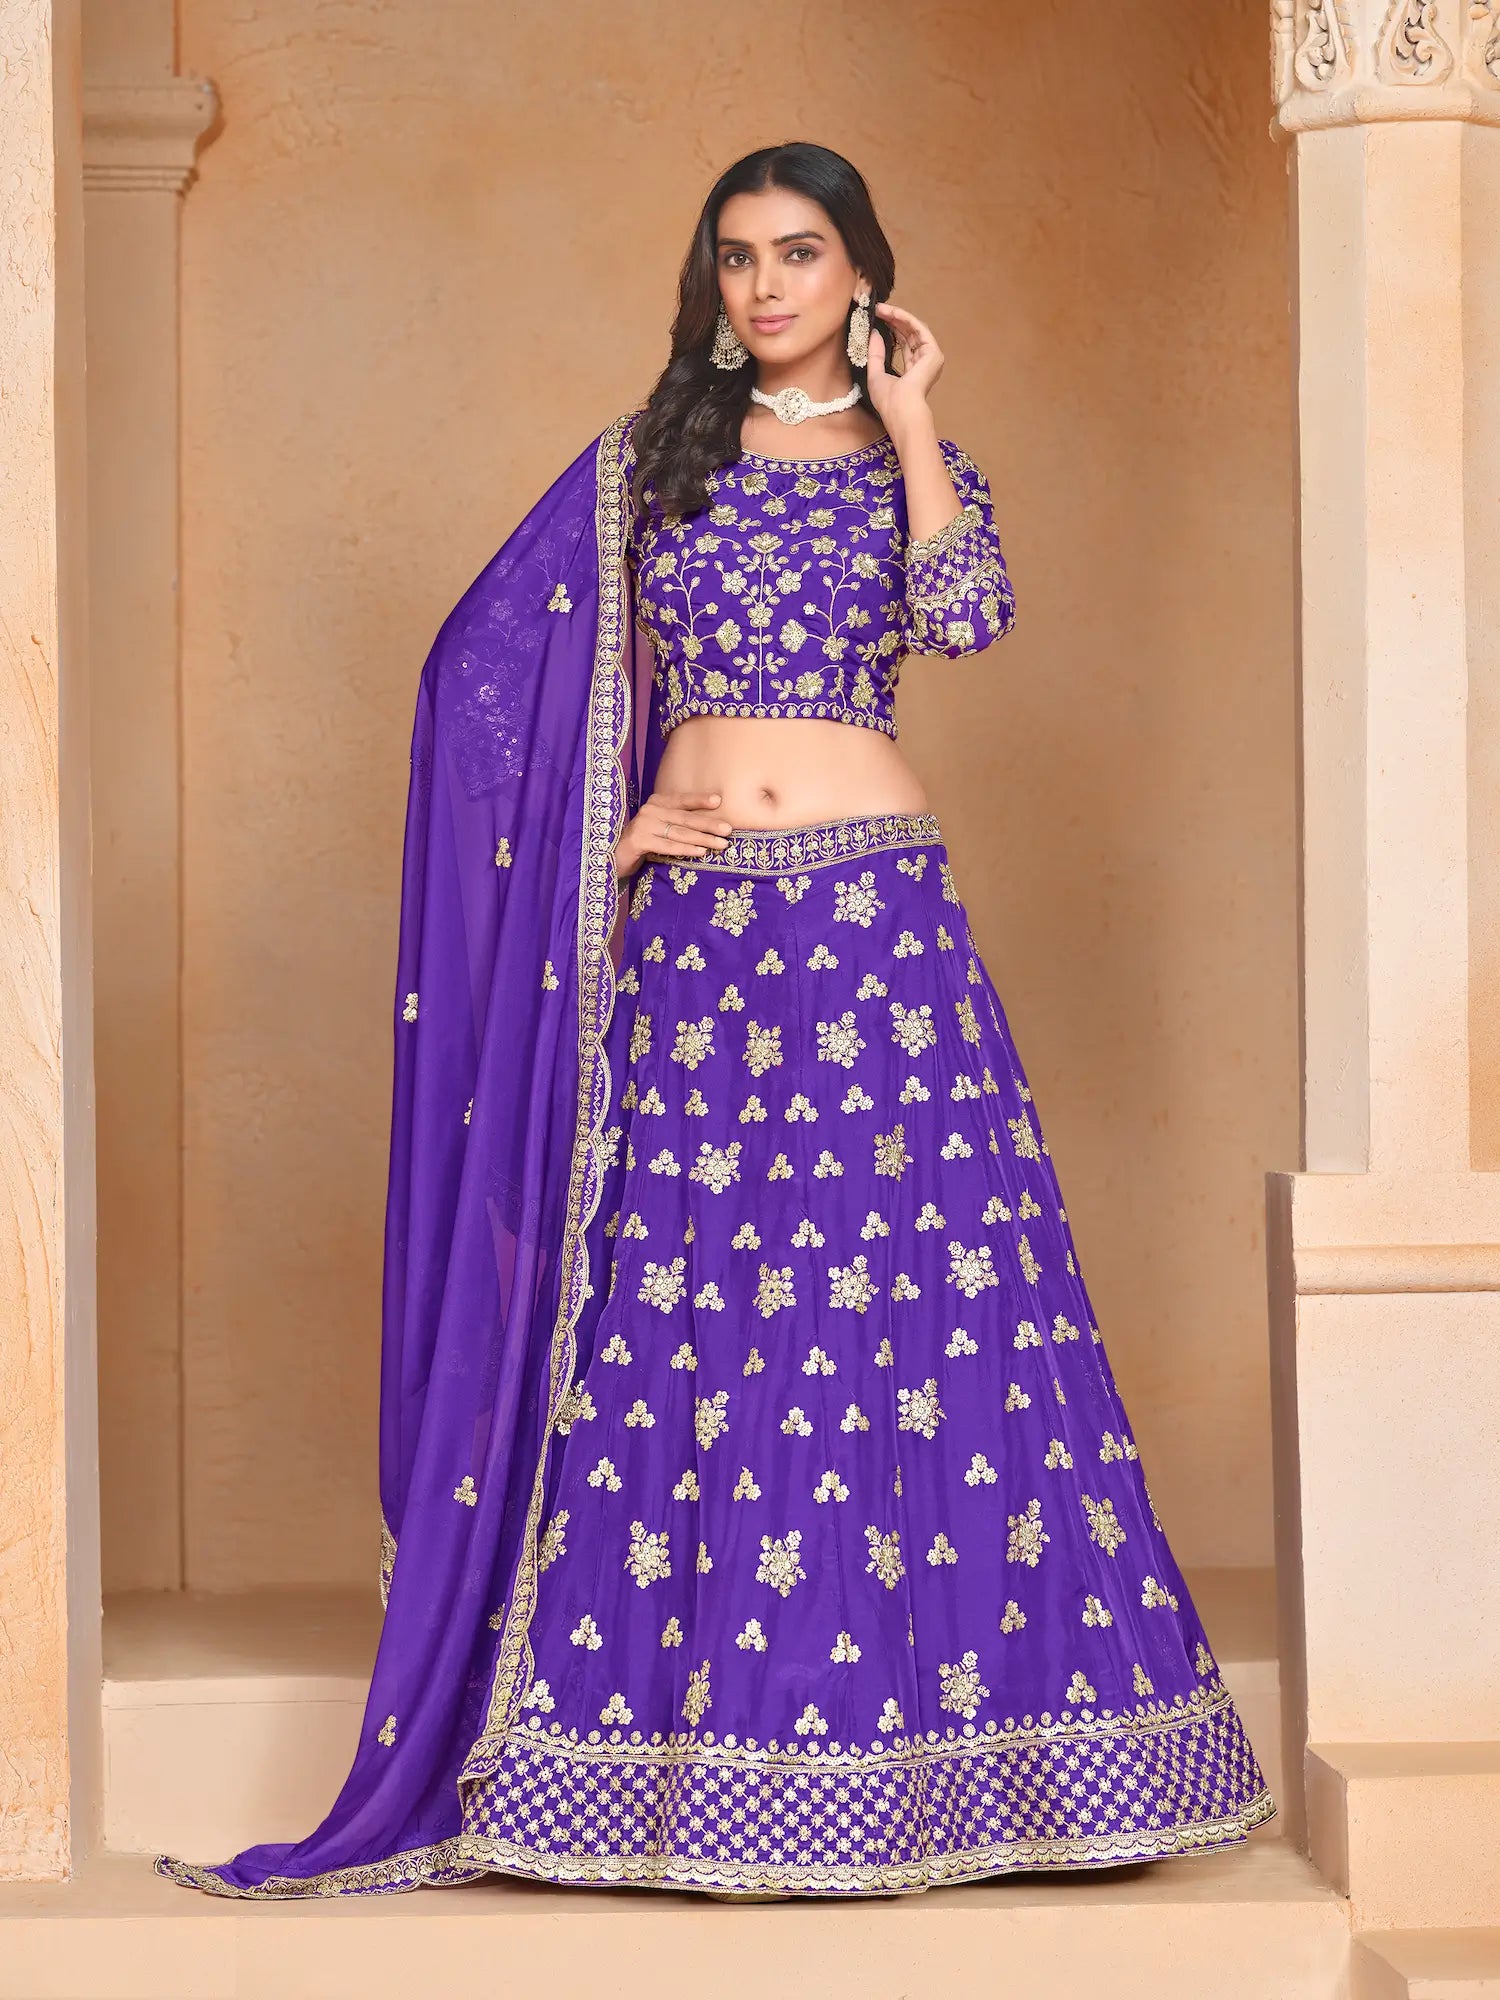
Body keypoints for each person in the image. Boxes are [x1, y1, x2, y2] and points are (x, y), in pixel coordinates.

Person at [157, 140, 1273, 1902]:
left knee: (904, 1296)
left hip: (877, 926)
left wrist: (914, 422)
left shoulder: (911, 462)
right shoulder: (644, 467)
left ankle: (952, 1775)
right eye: (739, 257)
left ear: (863, 275)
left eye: (801, 254)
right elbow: (481, 683)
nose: (765, 286)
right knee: (693, 1307)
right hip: (699, 948)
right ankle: (662, 1777)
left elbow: (967, 614)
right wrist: (600, 838)